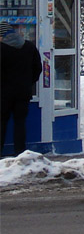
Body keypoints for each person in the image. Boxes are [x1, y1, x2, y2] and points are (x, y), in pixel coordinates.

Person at [1, 22, 42, 156]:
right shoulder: (29, 46)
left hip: (3, 94)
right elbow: (38, 68)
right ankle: (20, 152)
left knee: (1, 122)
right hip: (23, 93)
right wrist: (28, 82)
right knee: (20, 122)